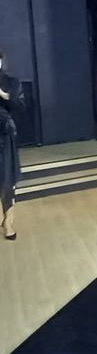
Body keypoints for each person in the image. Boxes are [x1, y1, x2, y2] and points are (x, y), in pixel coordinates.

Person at [0, 52, 24, 240]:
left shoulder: (12, 82)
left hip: (4, 136)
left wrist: (3, 95)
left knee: (7, 181)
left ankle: (8, 222)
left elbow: (20, 107)